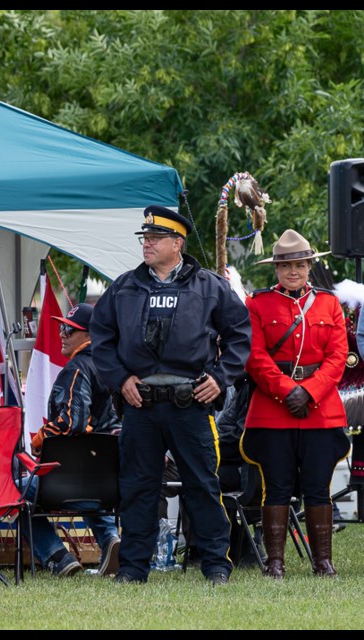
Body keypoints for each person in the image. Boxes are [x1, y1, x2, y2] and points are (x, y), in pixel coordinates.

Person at [90, 205, 251, 585]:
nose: (147, 244)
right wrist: (120, 379)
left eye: (155, 238)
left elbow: (241, 336)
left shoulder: (209, 286)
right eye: (145, 238)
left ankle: (215, 565)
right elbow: (102, 339)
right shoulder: (124, 287)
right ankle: (132, 568)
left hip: (190, 404)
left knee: (202, 485)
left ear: (177, 243)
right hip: (140, 405)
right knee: (137, 487)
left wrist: (220, 377)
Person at [240, 229, 350, 578]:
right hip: (274, 407)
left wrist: (311, 391)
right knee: (276, 485)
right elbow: (254, 357)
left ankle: (323, 561)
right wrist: (288, 391)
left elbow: (338, 355)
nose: (294, 272)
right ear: (276, 269)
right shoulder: (257, 303)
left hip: (320, 408)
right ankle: (275, 562)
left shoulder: (329, 302)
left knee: (319, 485)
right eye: (287, 266)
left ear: (309, 267)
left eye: (301, 265)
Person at [22, 302, 122, 577]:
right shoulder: (116, 369)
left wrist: (41, 437)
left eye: (70, 329)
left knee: (15, 491)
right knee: (89, 474)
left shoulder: (77, 369)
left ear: (91, 336)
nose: (62, 334)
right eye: (62, 327)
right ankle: (110, 539)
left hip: (66, 482)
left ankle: (58, 557)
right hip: (111, 483)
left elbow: (71, 424)